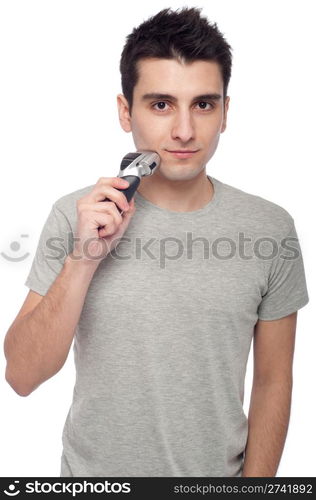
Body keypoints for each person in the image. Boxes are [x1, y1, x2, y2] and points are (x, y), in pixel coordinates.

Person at [4, 7, 309, 478]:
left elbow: (273, 381)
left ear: (226, 112)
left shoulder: (270, 227)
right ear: (126, 112)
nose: (185, 131)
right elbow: (22, 377)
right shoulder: (76, 214)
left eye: (204, 104)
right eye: (161, 104)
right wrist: (83, 260)